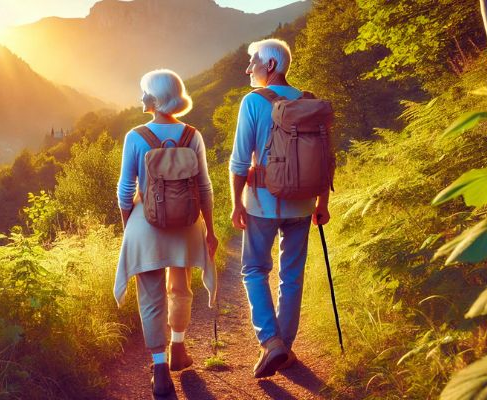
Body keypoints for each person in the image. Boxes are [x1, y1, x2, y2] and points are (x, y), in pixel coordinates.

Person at [228, 38, 331, 378]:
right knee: (291, 276)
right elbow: (327, 158)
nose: (248, 69)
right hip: (302, 203)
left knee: (254, 270)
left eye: (253, 62)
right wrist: (322, 203)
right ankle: (285, 348)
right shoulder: (309, 102)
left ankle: (271, 342)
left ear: (270, 66)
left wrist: (236, 204)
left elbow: (240, 161)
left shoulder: (253, 102)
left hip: (262, 204)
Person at [114, 69, 218, 396]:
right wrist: (211, 230)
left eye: (144, 91)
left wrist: (128, 227)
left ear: (154, 99)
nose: (141, 97)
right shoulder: (192, 135)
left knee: (151, 296)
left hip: (148, 225)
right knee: (181, 286)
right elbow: (204, 188)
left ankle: (159, 368)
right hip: (187, 224)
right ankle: (179, 348)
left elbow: (124, 191)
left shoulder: (136, 136)